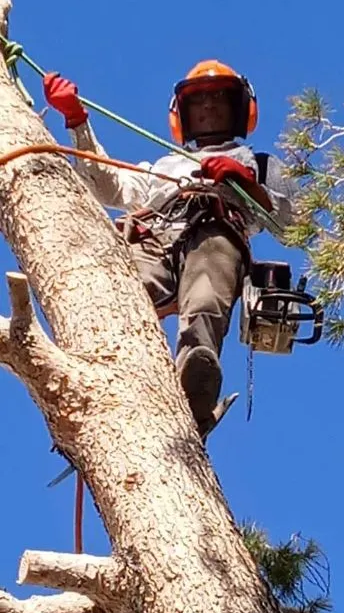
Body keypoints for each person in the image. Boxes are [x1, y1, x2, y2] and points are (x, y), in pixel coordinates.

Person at [43, 60, 298, 438]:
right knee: (122, 289)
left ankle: (196, 373)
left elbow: (290, 223)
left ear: (239, 108)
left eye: (218, 99)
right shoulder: (163, 165)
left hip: (215, 232)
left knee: (206, 291)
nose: (208, 107)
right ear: (185, 114)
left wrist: (246, 184)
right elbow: (107, 183)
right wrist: (77, 120)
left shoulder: (257, 164)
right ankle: (113, 373)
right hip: (155, 237)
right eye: (199, 102)